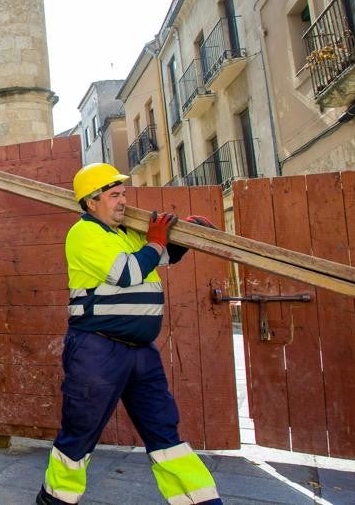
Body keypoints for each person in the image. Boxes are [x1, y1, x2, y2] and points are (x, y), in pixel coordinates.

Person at [39, 163, 222, 505]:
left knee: (165, 433)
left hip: (141, 353)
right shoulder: (84, 234)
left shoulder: (126, 234)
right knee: (79, 436)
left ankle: (202, 502)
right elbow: (127, 271)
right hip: (97, 351)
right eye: (114, 195)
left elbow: (161, 256)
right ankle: (55, 501)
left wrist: (187, 236)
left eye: (123, 193)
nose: (123, 201)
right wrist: (154, 242)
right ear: (92, 202)